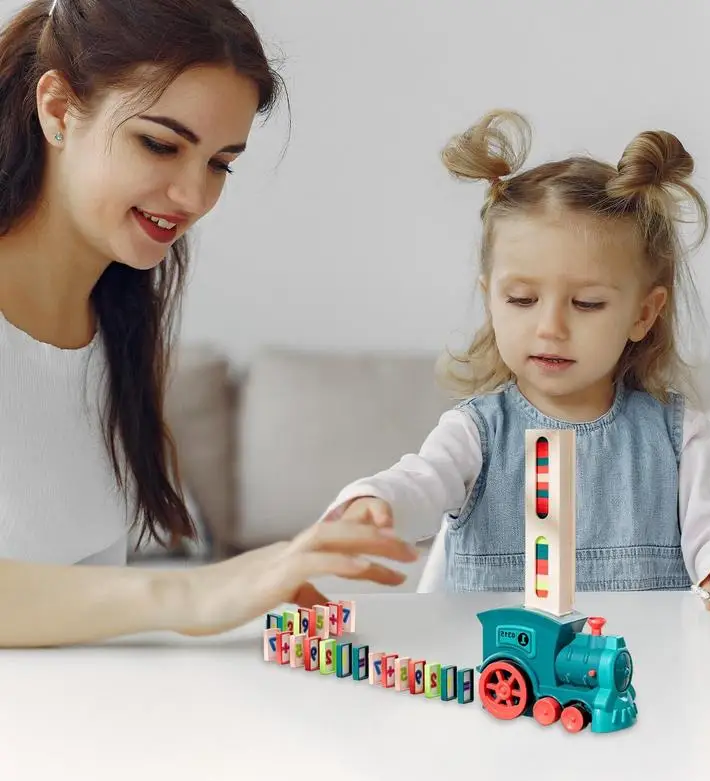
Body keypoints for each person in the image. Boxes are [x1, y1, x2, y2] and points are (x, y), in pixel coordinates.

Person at [0, 0, 418, 648]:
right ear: (58, 110)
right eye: (160, 144)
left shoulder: (115, 321)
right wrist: (191, 591)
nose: (195, 198)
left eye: (221, 163)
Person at [325, 109, 710, 612]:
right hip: (495, 675)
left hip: (643, 676)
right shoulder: (475, 434)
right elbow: (419, 483)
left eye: (587, 304)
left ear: (643, 314)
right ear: (490, 301)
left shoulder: (680, 437)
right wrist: (375, 504)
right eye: (521, 300)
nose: (550, 328)